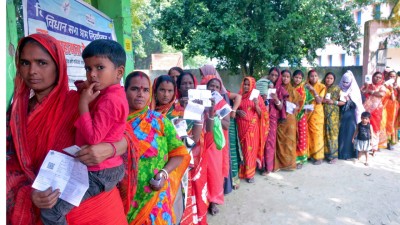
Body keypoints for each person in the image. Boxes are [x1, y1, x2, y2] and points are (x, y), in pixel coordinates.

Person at [7, 33, 129, 225]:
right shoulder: (15, 116)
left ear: (58, 65)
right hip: (49, 210)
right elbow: (8, 164)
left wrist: (111, 148)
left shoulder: (84, 100)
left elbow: (127, 135)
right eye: (25, 63)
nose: (32, 71)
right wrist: (30, 192)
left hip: (99, 211)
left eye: (42, 63)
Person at [40, 39, 128, 225]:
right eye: (88, 69)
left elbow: (95, 137)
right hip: (97, 170)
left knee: (52, 212)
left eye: (99, 68)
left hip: (99, 173)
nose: (92, 74)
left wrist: (82, 104)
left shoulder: (103, 99)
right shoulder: (99, 93)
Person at [123, 71, 190, 224]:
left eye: (145, 90)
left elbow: (179, 153)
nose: (140, 94)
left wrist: (163, 173)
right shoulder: (115, 122)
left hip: (156, 197)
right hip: (125, 199)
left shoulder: (160, 121)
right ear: (124, 91)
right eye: (134, 89)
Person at [171, 72, 208, 225]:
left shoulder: (198, 106)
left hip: (192, 153)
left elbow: (197, 135)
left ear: (194, 85)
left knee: (191, 188)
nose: (187, 86)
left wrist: (195, 109)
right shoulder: (171, 106)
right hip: (173, 156)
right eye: (183, 84)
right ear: (178, 86)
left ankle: (192, 219)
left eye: (190, 83)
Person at [205, 77, 231, 216]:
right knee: (202, 171)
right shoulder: (200, 100)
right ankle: (202, 199)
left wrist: (215, 115)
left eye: (216, 86)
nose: (213, 89)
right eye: (211, 86)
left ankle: (213, 201)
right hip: (201, 141)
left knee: (214, 172)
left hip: (214, 144)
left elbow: (227, 125)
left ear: (220, 89)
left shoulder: (223, 103)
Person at [237, 77, 269, 182]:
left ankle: (250, 174)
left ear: (252, 85)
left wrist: (256, 105)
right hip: (241, 128)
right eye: (245, 84)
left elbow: (263, 114)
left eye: (248, 84)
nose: (246, 86)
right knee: (242, 150)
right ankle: (242, 171)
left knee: (250, 150)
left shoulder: (257, 97)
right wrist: (237, 112)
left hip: (252, 129)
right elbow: (234, 108)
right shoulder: (239, 95)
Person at [263, 67, 288, 174]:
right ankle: (260, 165)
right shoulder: (263, 86)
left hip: (272, 118)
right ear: (268, 75)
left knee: (269, 142)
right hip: (261, 116)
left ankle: (268, 167)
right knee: (261, 141)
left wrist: (276, 98)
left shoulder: (280, 89)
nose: (273, 77)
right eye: (271, 75)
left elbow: (281, 106)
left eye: (276, 75)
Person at [275, 70, 301, 171]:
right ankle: (280, 164)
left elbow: (298, 103)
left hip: (290, 119)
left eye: (287, 77)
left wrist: (296, 108)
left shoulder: (293, 91)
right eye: (283, 76)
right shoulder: (277, 89)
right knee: (280, 142)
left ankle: (289, 164)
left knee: (290, 141)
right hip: (279, 119)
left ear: (290, 78)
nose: (285, 78)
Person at [338, 71, 364, 160]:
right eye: (343, 82)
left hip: (350, 116)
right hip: (340, 115)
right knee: (341, 134)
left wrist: (349, 100)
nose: (345, 84)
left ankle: (350, 154)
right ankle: (341, 153)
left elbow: (357, 105)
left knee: (350, 134)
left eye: (347, 82)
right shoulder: (339, 89)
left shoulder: (355, 91)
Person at [361, 71, 387, 156]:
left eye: (379, 77)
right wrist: (366, 86)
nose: (377, 78)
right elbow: (362, 91)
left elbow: (381, 94)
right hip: (366, 109)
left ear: (381, 79)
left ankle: (374, 148)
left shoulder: (382, 87)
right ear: (373, 77)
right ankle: (365, 147)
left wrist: (371, 92)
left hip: (377, 111)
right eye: (376, 77)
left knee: (375, 129)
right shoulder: (369, 85)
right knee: (365, 127)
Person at [292, 70, 313, 169]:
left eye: (300, 78)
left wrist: (305, 111)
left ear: (302, 79)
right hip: (290, 116)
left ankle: (300, 159)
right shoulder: (290, 88)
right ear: (293, 77)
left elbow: (310, 104)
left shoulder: (304, 90)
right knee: (292, 137)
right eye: (296, 77)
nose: (297, 79)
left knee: (301, 137)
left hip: (301, 117)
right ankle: (292, 158)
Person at [305, 70, 326, 165]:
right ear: (308, 77)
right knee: (307, 133)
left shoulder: (322, 87)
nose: (314, 78)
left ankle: (318, 156)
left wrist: (313, 90)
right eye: (311, 76)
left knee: (317, 133)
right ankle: (308, 155)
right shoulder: (304, 86)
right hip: (306, 112)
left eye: (316, 76)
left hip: (317, 112)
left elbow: (319, 101)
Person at [321, 72, 342, 164]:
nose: (329, 80)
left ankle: (333, 156)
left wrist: (333, 102)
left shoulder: (337, 89)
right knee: (323, 133)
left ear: (334, 80)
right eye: (327, 78)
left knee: (332, 134)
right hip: (322, 113)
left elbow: (343, 102)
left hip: (333, 115)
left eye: (331, 78)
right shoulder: (321, 87)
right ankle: (324, 154)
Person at [384, 71, 399, 148]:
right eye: (390, 76)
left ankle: (391, 142)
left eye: (393, 76)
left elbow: (396, 98)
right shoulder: (385, 85)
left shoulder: (397, 87)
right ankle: (384, 141)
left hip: (394, 107)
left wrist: (395, 88)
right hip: (386, 106)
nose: (392, 78)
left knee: (392, 123)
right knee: (384, 122)